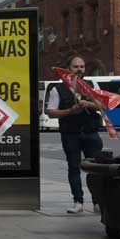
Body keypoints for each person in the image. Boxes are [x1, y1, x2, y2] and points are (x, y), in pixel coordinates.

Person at [45, 56, 104, 214]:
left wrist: (89, 104)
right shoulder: (57, 89)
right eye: (76, 66)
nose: (79, 69)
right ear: (68, 69)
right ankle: (78, 201)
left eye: (82, 66)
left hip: (90, 132)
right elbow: (50, 113)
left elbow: (102, 105)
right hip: (71, 133)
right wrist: (70, 111)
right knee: (74, 167)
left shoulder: (90, 85)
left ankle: (98, 201)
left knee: (95, 169)